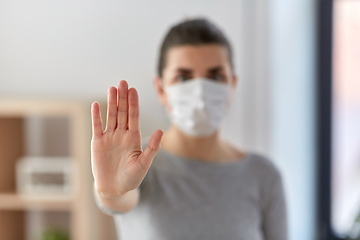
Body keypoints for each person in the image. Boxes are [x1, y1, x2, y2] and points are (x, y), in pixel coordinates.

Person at [91, 18, 288, 240]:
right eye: (183, 77)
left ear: (232, 85)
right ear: (161, 89)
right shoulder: (136, 163)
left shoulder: (263, 176)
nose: (200, 91)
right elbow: (119, 197)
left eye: (215, 76)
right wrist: (110, 191)